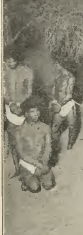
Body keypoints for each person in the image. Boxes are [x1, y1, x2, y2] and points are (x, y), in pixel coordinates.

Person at [14, 95, 55, 193]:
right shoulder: (19, 131)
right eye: (33, 111)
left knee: (49, 185)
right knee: (35, 187)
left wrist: (44, 163)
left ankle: (37, 176)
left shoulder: (45, 127)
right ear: (26, 114)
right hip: (28, 163)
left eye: (38, 111)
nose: (37, 114)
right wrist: (38, 165)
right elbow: (22, 154)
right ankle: (24, 178)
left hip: (42, 161)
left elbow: (48, 147)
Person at [3, 49, 34, 177]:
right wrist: (9, 103)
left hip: (23, 108)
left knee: (26, 139)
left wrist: (20, 104)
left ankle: (30, 168)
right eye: (8, 62)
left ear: (18, 59)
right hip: (10, 108)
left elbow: (29, 92)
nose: (11, 64)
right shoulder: (4, 71)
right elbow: (4, 91)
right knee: (12, 141)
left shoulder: (27, 71)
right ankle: (17, 169)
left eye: (13, 61)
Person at [49, 55, 77, 168]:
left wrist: (60, 105)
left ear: (60, 64)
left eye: (56, 64)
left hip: (68, 104)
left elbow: (68, 94)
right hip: (58, 104)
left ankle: (70, 143)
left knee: (72, 126)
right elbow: (53, 90)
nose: (54, 66)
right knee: (54, 129)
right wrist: (54, 102)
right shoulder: (57, 76)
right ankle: (56, 148)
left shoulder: (70, 77)